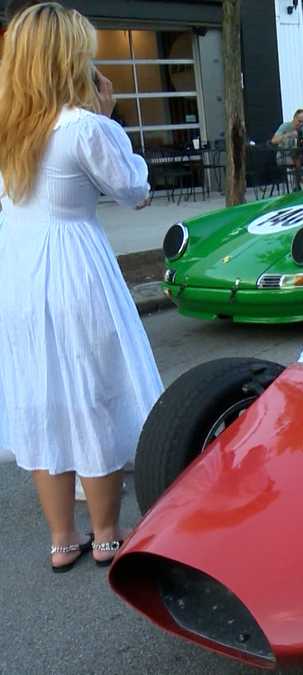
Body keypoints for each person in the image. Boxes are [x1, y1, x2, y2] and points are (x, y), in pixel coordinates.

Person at [0, 2, 163, 571]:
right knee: (92, 395)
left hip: (18, 278)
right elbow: (134, 191)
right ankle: (105, 533)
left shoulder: (7, 131)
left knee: (45, 403)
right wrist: (110, 114)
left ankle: (61, 538)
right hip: (74, 274)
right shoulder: (84, 126)